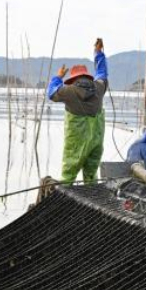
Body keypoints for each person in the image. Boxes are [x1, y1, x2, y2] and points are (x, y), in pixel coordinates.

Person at [47, 38, 109, 185]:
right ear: (87, 76)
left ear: (73, 79)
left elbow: (51, 93)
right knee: (91, 174)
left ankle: (64, 201)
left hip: (75, 143)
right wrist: (98, 53)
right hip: (96, 141)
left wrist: (58, 77)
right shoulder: (99, 88)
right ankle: (93, 198)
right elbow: (102, 72)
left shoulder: (67, 91)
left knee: (68, 175)